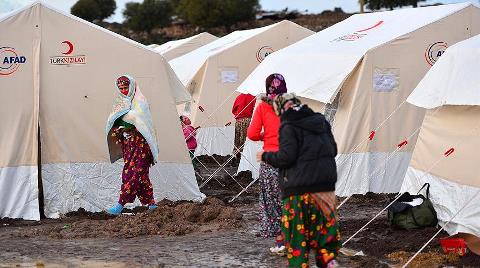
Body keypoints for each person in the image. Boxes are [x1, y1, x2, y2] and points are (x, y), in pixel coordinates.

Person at [257, 93, 341, 268]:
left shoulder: (288, 126)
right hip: (325, 189)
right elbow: (333, 150)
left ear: (281, 110)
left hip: (298, 191)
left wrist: (265, 156)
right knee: (325, 236)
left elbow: (286, 158)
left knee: (297, 239)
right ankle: (329, 263)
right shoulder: (321, 122)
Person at [105, 75, 159, 215]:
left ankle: (120, 204)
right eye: (121, 88)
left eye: (125, 88)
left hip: (141, 145)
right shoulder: (119, 103)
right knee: (140, 175)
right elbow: (113, 122)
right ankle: (151, 203)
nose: (123, 91)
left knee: (133, 173)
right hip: (128, 145)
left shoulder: (141, 102)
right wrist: (120, 131)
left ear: (132, 86)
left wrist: (131, 129)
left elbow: (145, 125)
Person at [247, 73, 287, 254]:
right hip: (290, 158)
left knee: (272, 202)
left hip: (270, 159)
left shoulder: (263, 107)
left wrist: (267, 136)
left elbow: (252, 134)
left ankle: (281, 242)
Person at [231, 93, 256, 160]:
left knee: (237, 139)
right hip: (248, 120)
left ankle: (235, 155)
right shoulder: (253, 97)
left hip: (238, 120)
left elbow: (233, 110)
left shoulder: (239, 96)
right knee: (244, 140)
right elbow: (255, 109)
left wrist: (239, 114)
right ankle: (243, 158)